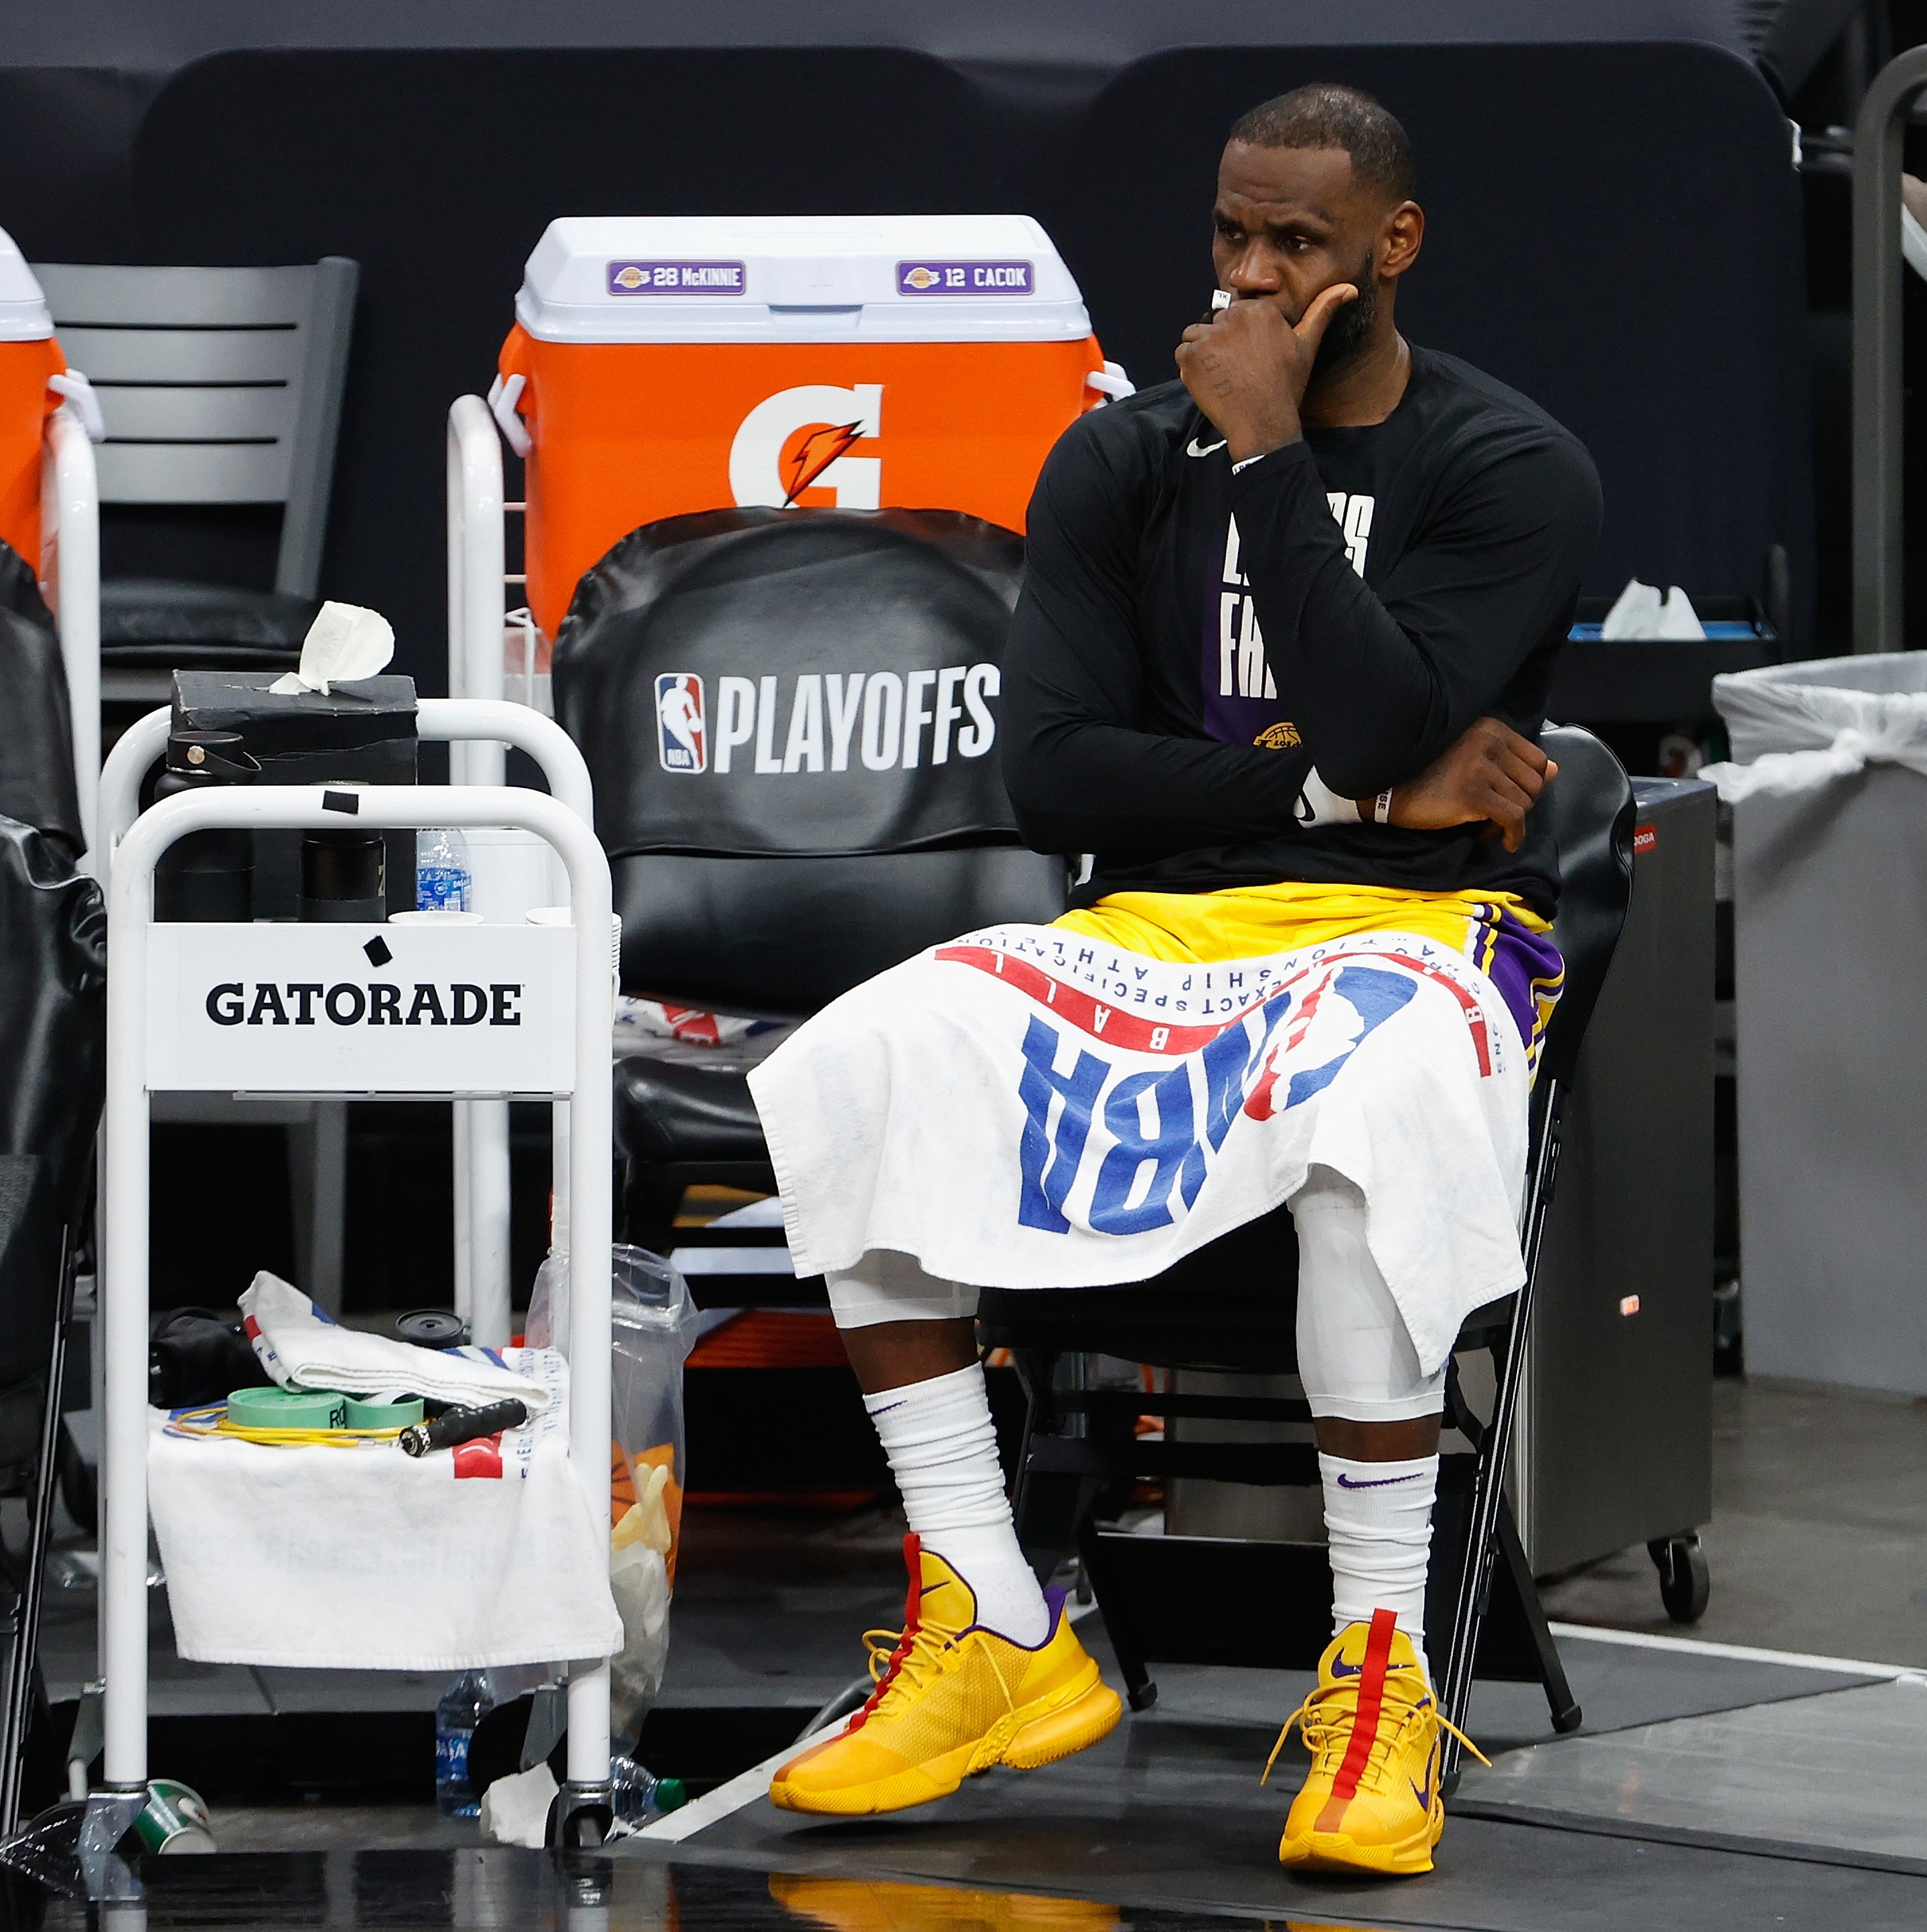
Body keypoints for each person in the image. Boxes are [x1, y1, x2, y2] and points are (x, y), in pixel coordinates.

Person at [749, 82, 1600, 1878]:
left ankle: (1377, 1677)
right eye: (1234, 234)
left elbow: (1374, 708)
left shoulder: (1509, 469)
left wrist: (1276, 458)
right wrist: (1325, 782)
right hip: (1154, 932)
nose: (1254, 275)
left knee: (1380, 1099)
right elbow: (1053, 774)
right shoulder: (1122, 459)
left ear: (1394, 246)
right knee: (871, 1053)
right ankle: (989, 1614)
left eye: (1300, 242)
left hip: (1412, 930)